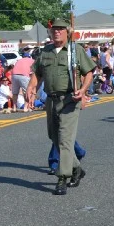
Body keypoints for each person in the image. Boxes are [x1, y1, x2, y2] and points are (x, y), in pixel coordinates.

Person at [26, 18, 95, 195]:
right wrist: (31, 88)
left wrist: (83, 90)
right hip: (51, 100)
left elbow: (89, 73)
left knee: (65, 138)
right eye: (53, 29)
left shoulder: (75, 50)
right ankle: (77, 168)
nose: (56, 32)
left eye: (60, 29)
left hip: (70, 100)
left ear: (67, 32)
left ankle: (62, 177)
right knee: (54, 136)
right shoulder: (46, 51)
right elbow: (37, 74)